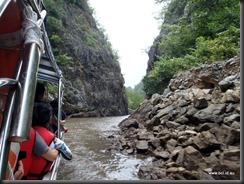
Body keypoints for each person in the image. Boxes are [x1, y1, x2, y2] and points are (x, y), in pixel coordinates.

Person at [19, 102, 72, 180]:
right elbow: (69, 156)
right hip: (36, 177)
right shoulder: (53, 139)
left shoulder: (23, 132)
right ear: (49, 119)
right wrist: (58, 149)